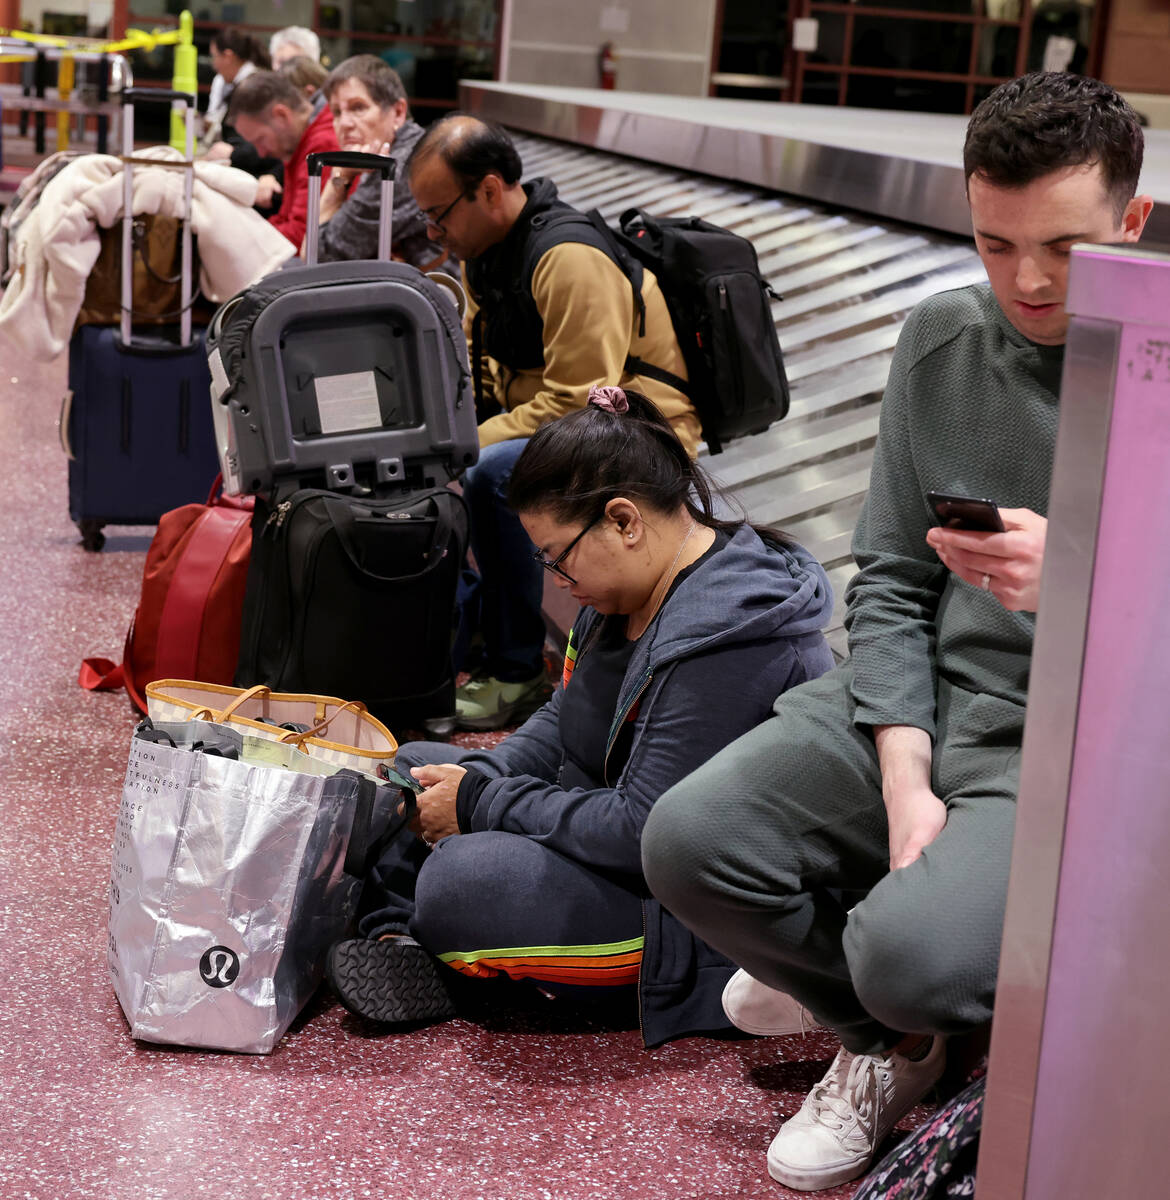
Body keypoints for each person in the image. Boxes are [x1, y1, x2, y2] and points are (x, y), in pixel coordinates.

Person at [640, 71, 1153, 1192]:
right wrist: (906, 772)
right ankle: (886, 1036)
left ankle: (883, 998)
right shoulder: (943, 338)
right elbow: (886, 581)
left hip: (1069, 745)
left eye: (1064, 247)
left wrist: (1074, 578)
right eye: (993, 241)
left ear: (1135, 220)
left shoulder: (1156, 375)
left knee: (906, 956)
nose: (1027, 278)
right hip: (928, 691)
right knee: (688, 841)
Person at [325, 386, 835, 1047]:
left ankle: (429, 930)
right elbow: (571, 711)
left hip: (691, 915)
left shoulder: (732, 639)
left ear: (623, 520)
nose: (558, 581)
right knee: (407, 769)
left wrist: (482, 800)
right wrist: (481, 774)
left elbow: (640, 831)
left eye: (557, 558)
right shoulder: (634, 585)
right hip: (609, 838)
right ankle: (402, 938)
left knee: (463, 881)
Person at [407, 115, 700, 730]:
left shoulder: (568, 258)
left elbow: (580, 401)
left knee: (491, 472)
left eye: (440, 214)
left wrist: (460, 441)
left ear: (489, 190)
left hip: (642, 430)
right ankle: (488, 632)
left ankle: (518, 672)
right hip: (579, 423)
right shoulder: (486, 258)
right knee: (454, 461)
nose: (435, 233)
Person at [313, 56, 448, 270]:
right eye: (337, 112)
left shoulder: (403, 166)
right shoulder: (405, 146)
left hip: (435, 297)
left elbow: (317, 255)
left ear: (398, 113)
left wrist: (340, 176)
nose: (344, 124)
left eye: (358, 108)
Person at [229, 71, 339, 250]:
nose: (261, 153)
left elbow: (301, 235)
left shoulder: (322, 143)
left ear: (281, 115)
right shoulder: (302, 141)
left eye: (260, 140)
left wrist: (241, 240)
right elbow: (286, 219)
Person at [202, 29, 283, 214]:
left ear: (228, 56)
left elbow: (264, 144)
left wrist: (234, 154)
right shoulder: (239, 85)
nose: (214, 65)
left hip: (259, 180)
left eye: (215, 57)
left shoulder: (253, 88)